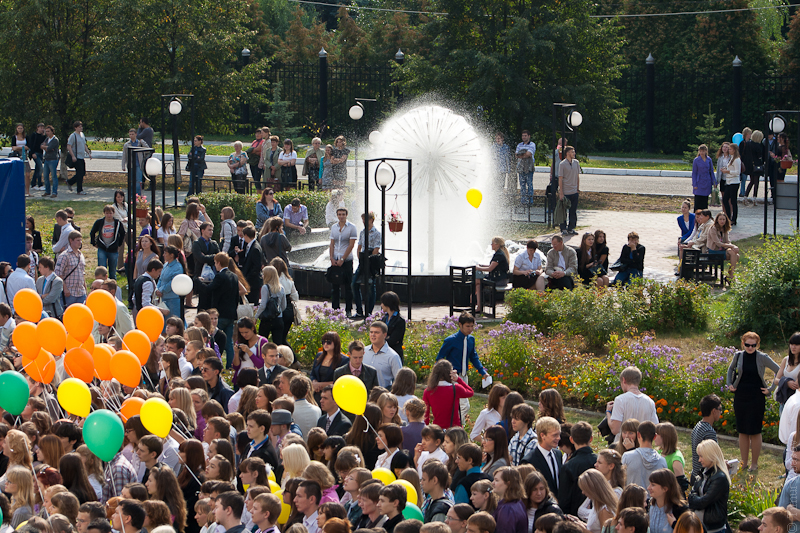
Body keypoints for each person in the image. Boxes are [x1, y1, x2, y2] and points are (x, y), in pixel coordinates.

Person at [726, 331, 779, 471]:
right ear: (743, 343)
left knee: (755, 431)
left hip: (757, 397)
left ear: (758, 345)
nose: (750, 348)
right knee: (742, 430)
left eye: (753, 345)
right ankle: (744, 461)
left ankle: (754, 463)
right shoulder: (738, 356)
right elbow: (731, 369)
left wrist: (771, 388)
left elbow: (779, 370)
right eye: (747, 345)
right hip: (741, 396)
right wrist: (729, 384)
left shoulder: (763, 357)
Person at [436, 312, 489, 421]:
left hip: (463, 377)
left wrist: (483, 372)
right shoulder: (450, 340)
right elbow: (440, 358)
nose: (470, 329)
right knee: (464, 405)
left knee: (458, 404)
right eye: (467, 326)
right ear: (460, 325)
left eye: (472, 326)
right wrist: (444, 373)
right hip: (452, 377)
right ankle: (458, 426)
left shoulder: (471, 339)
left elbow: (473, 357)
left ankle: (455, 425)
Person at [606, 366, 658, 443]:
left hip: (622, 446)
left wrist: (608, 412)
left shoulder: (620, 400)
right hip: (641, 446)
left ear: (624, 380)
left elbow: (615, 430)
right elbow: (655, 427)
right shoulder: (650, 402)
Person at [688, 440, 730, 533]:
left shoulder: (720, 478)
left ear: (710, 455)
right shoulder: (702, 473)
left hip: (714, 529)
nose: (699, 460)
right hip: (700, 526)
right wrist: (695, 498)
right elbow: (692, 495)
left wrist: (695, 498)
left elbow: (704, 502)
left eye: (701, 456)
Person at [557, 422, 597, 515]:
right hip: (596, 515)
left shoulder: (568, 466)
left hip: (574, 517)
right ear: (591, 439)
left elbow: (564, 500)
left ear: (571, 439)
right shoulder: (599, 462)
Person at [423, 360, 474, 429]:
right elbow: (471, 392)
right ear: (450, 373)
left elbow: (426, 414)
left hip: (437, 429)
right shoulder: (455, 388)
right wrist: (459, 380)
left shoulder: (428, 391)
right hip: (454, 429)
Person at [521, 417, 562, 494]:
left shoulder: (558, 454)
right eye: (554, 435)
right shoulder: (529, 461)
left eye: (559, 434)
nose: (559, 438)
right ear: (542, 435)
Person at [352, 211, 382, 319]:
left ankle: (369, 311)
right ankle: (359, 310)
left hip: (371, 259)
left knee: (371, 286)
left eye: (366, 219)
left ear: (371, 220)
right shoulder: (362, 232)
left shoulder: (377, 233)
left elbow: (376, 248)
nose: (364, 222)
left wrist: (369, 260)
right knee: (354, 284)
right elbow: (359, 246)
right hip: (363, 258)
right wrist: (360, 257)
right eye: (363, 220)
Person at [328, 208, 357, 316]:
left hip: (347, 260)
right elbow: (332, 243)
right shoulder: (334, 227)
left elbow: (351, 245)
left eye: (343, 214)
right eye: (339, 214)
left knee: (348, 286)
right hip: (335, 259)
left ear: (346, 215)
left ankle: (348, 310)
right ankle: (335, 309)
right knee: (335, 287)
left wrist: (342, 259)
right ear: (337, 215)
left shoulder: (352, 227)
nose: (341, 216)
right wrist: (331, 257)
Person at [621, 421, 667, 488]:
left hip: (631, 497)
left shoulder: (627, 456)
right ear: (655, 437)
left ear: (638, 435)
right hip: (653, 498)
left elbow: (621, 480)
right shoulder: (662, 461)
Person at [310, 332, 349, 404]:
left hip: (332, 396)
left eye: (328, 342)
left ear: (336, 343)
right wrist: (314, 382)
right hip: (316, 394)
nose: (325, 344)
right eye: (323, 342)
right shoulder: (319, 355)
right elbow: (312, 374)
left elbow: (341, 380)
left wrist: (320, 385)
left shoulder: (344, 360)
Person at [90, 205, 126, 281]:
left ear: (113, 213)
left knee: (112, 270)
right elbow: (92, 232)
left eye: (110, 213)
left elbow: (122, 234)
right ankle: (101, 283)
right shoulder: (99, 222)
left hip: (113, 250)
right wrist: (94, 243)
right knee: (102, 268)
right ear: (104, 213)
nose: (109, 215)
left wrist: (118, 244)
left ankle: (112, 284)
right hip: (102, 248)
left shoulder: (117, 223)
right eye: (107, 213)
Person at [647, 469, 688, 533]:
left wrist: (675, 525)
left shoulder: (680, 510)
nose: (648, 488)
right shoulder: (649, 505)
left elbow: (698, 530)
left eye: (653, 485)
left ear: (665, 489)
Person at [363, 321, 402, 389]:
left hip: (382, 396)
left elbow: (399, 381)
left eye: (376, 332)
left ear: (384, 335)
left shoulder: (392, 356)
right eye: (371, 332)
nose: (373, 335)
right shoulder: (363, 352)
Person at [475, 237, 510, 308]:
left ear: (497, 245)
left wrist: (477, 268)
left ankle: (478, 303)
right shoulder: (500, 253)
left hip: (499, 280)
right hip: (501, 279)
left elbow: (490, 269)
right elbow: (493, 266)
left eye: (492, 243)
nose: (491, 245)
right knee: (478, 282)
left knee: (478, 283)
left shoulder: (499, 255)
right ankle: (478, 300)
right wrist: (482, 265)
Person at [490, 467, 526, 533]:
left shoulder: (507, 508)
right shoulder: (518, 503)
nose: (493, 483)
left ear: (508, 484)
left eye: (496, 480)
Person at [55, 232, 87, 306]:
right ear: (71, 240)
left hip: (81, 292)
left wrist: (85, 289)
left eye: (81, 240)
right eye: (78, 240)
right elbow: (58, 273)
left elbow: (82, 273)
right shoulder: (64, 255)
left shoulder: (81, 255)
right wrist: (65, 289)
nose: (80, 242)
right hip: (69, 293)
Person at [706, 212, 739, 282]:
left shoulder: (725, 229)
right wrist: (732, 246)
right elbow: (718, 243)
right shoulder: (712, 229)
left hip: (722, 250)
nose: (722, 221)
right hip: (714, 251)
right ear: (717, 220)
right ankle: (732, 276)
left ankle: (729, 276)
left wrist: (732, 247)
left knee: (737, 255)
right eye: (720, 219)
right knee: (733, 254)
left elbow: (727, 241)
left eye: (724, 219)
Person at [557, 145, 580, 235]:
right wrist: (561, 192)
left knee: (573, 211)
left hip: (574, 191)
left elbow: (577, 176)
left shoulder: (576, 162)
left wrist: (577, 188)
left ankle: (571, 227)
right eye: (572, 151)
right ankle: (563, 228)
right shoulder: (562, 164)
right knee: (563, 211)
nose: (574, 153)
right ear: (567, 153)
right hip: (566, 191)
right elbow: (560, 178)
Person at [122, 128, 150, 197]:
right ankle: (131, 196)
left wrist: (143, 142)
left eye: (132, 134)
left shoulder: (139, 143)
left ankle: (138, 196)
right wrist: (123, 165)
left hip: (139, 165)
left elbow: (148, 150)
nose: (131, 136)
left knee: (138, 181)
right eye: (130, 134)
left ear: (136, 134)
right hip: (131, 165)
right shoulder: (127, 145)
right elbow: (124, 156)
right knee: (131, 181)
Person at [66, 121, 91, 195]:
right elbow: (69, 146)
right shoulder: (73, 136)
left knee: (82, 173)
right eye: (79, 127)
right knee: (79, 174)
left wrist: (88, 153)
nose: (81, 128)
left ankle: (70, 182)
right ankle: (79, 190)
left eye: (81, 126)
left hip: (81, 157)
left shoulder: (82, 135)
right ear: (75, 127)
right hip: (76, 157)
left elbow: (84, 145)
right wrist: (73, 156)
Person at [379, 291, 405, 361]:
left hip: (395, 354)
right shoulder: (384, 318)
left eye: (382, 303)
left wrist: (381, 339)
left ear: (387, 303)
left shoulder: (400, 321)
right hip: (383, 354)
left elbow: (393, 340)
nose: (381, 305)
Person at [721, 143, 741, 225]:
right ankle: (728, 216)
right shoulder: (731, 158)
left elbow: (737, 172)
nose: (729, 151)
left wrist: (727, 171)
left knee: (733, 201)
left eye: (730, 149)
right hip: (729, 182)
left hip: (734, 182)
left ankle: (733, 218)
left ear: (734, 150)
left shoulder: (736, 159)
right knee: (725, 199)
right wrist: (726, 169)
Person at [691, 144, 715, 210]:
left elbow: (711, 171)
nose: (702, 153)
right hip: (699, 182)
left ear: (706, 151)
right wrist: (694, 184)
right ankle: (696, 217)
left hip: (707, 182)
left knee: (705, 202)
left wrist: (714, 182)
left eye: (703, 151)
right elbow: (694, 173)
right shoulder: (696, 160)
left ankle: (704, 217)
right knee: (698, 202)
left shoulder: (709, 160)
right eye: (700, 151)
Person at [515, 131, 536, 206]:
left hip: (529, 167)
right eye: (523, 135)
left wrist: (522, 155)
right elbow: (517, 155)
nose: (524, 137)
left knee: (529, 184)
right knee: (522, 184)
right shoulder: (519, 145)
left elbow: (529, 154)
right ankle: (523, 201)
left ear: (529, 136)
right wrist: (524, 154)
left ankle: (530, 201)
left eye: (525, 135)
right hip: (521, 167)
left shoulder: (532, 144)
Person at [40, 125, 60, 198]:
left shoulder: (55, 140)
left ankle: (54, 192)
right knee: (45, 176)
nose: (47, 133)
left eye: (48, 131)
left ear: (52, 131)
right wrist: (46, 147)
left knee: (54, 176)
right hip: (46, 159)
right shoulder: (47, 139)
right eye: (46, 131)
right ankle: (47, 191)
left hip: (53, 159)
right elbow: (42, 146)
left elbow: (50, 148)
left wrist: (46, 148)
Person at [28, 123, 46, 192]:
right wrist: (32, 153)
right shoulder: (34, 135)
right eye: (41, 127)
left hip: (40, 153)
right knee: (40, 167)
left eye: (43, 128)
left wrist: (44, 135)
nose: (42, 129)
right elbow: (31, 144)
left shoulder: (43, 136)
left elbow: (44, 143)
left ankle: (33, 184)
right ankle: (40, 184)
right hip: (35, 153)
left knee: (37, 169)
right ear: (37, 128)